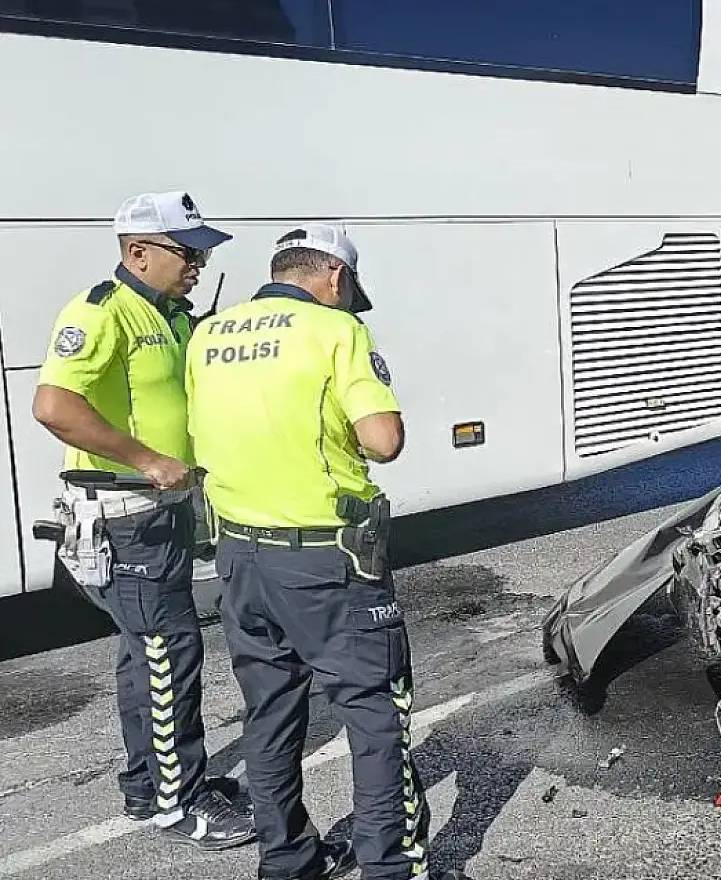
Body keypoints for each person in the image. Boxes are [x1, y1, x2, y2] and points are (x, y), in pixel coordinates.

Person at [185, 224, 460, 880]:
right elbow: (383, 440)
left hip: (240, 559)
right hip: (325, 562)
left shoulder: (211, 334)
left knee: (272, 714)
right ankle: (393, 869)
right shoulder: (337, 333)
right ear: (334, 277)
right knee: (375, 717)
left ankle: (287, 862)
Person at [31, 191, 257, 850]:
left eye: (203, 252)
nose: (199, 263)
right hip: (126, 517)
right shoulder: (103, 312)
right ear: (138, 251)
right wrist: (147, 459)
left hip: (162, 518)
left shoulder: (170, 315)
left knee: (145, 657)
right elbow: (52, 405)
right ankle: (181, 804)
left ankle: (148, 784)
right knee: (169, 656)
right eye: (189, 251)